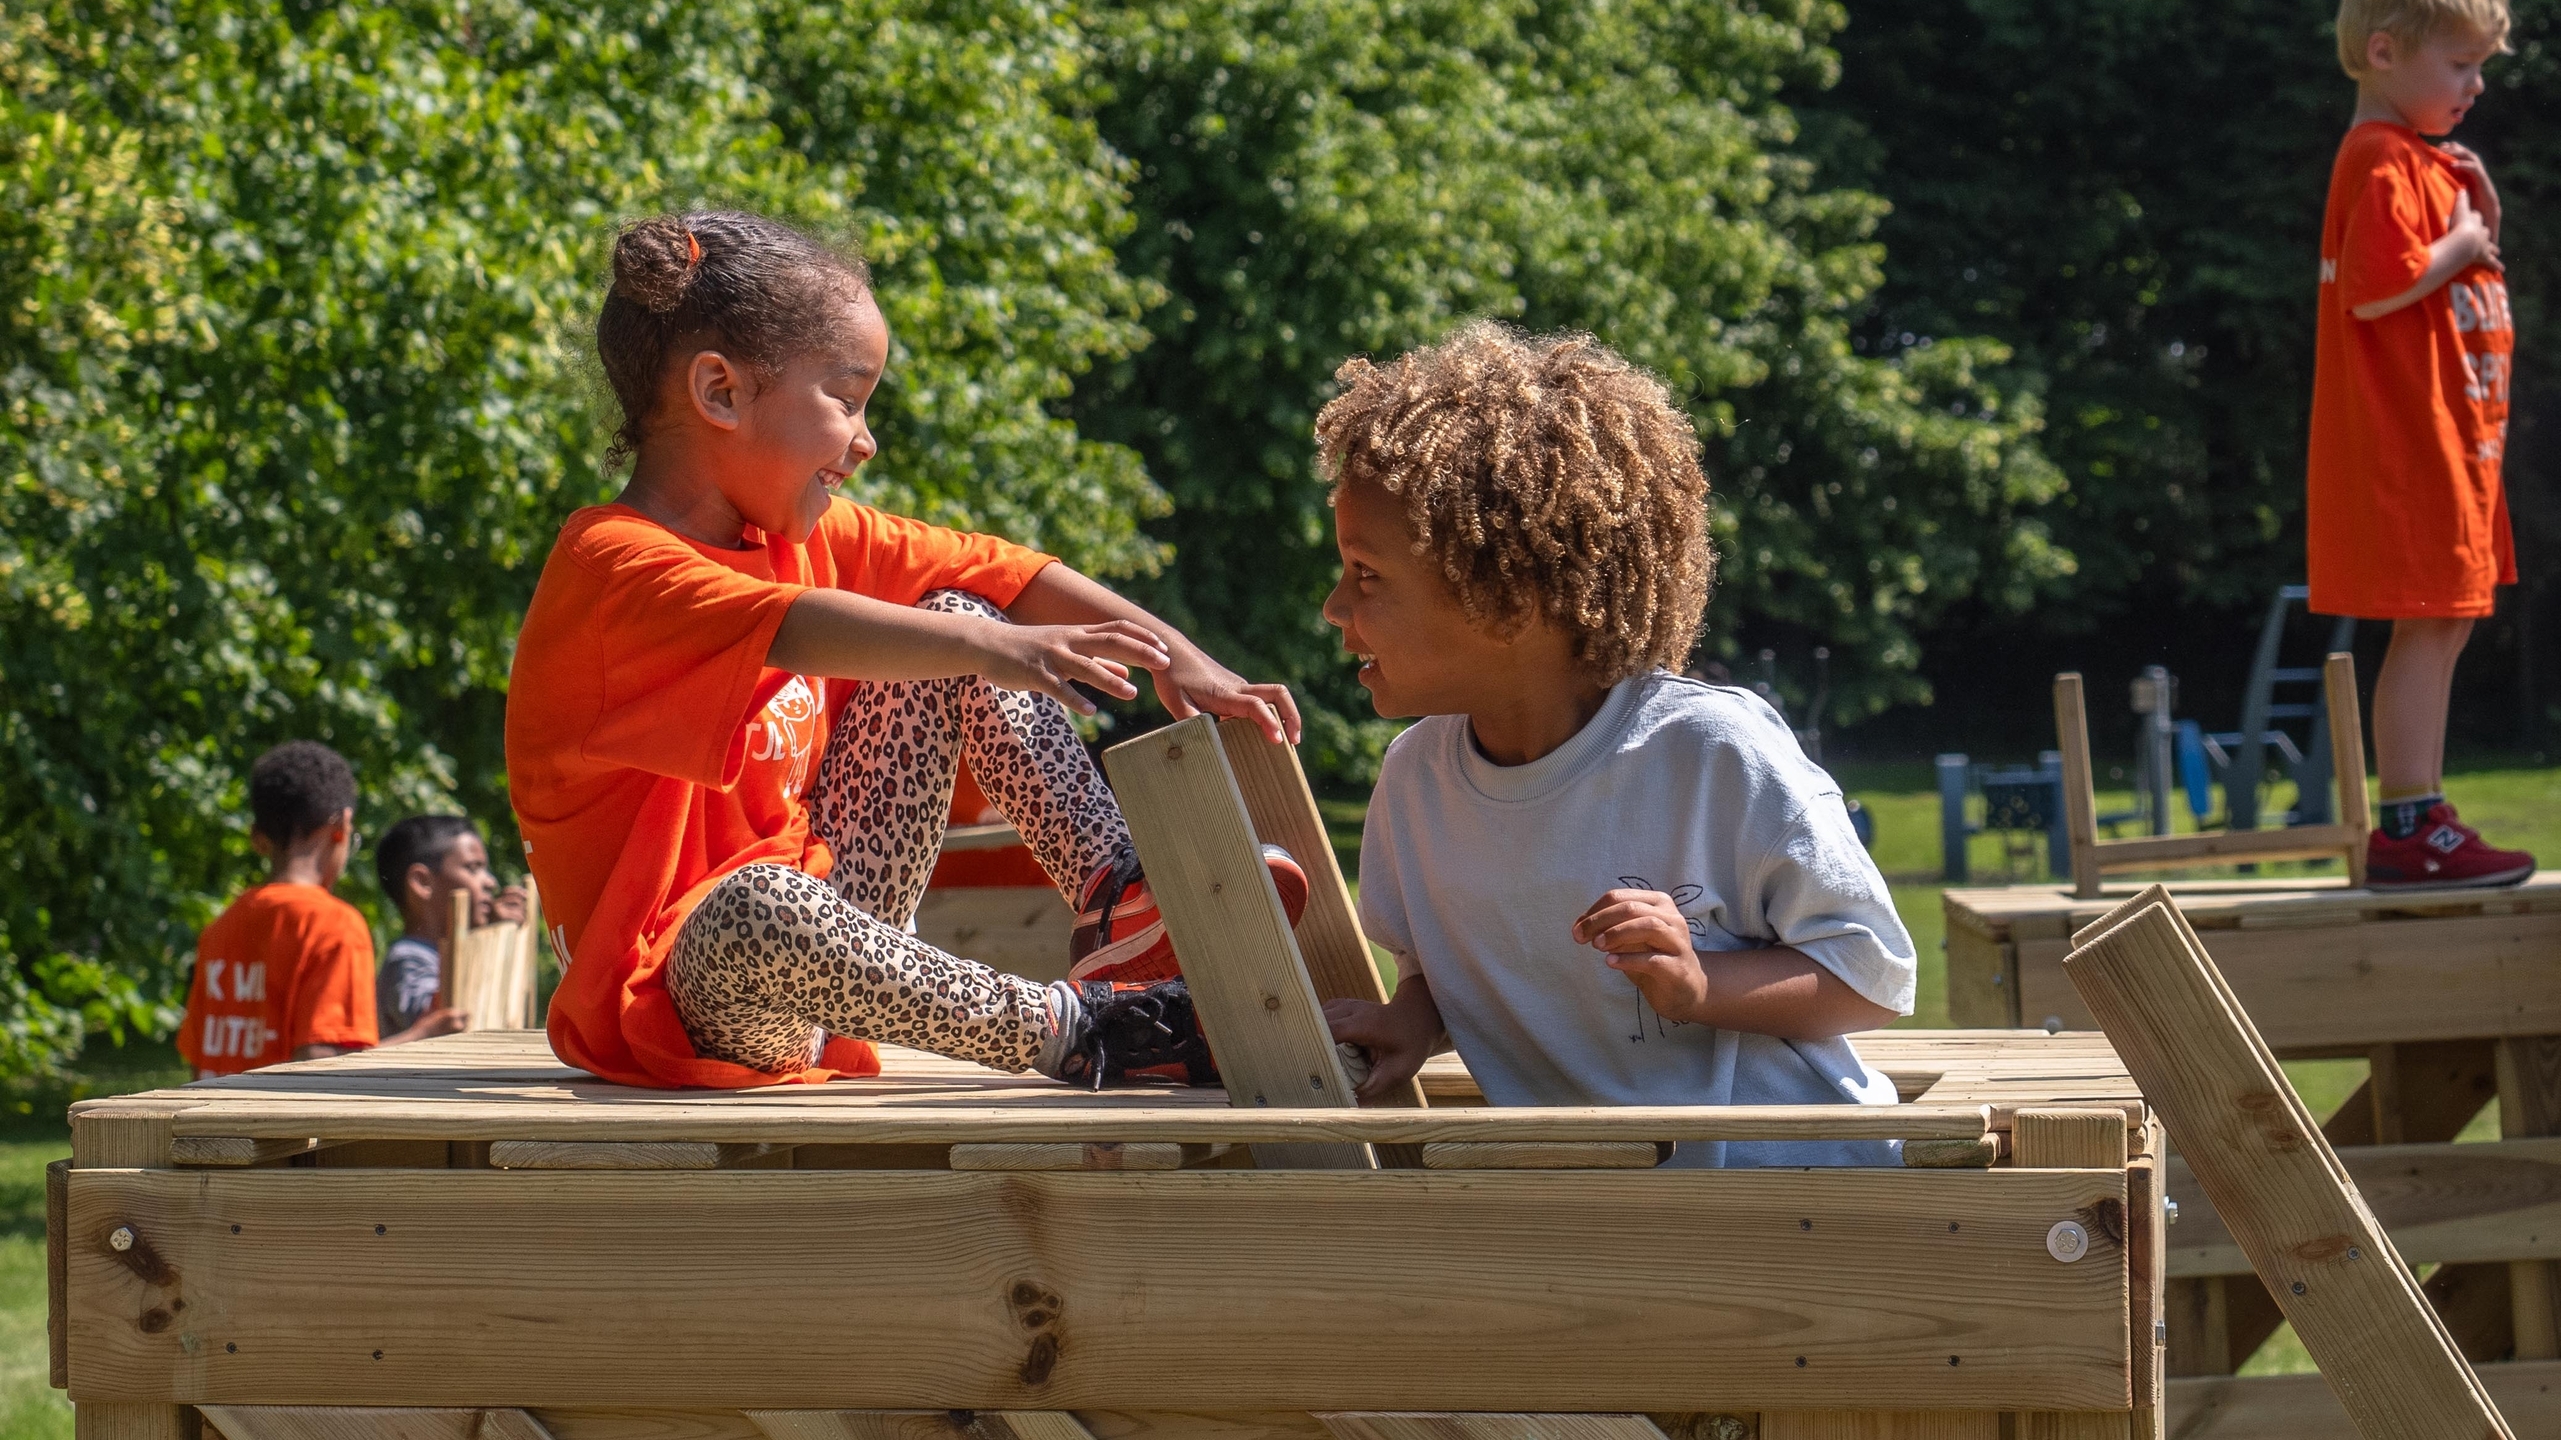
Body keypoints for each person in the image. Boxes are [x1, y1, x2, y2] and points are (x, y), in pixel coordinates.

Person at [506, 210, 1304, 1092]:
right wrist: (991, 645)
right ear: (721, 393)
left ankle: (1120, 899)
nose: (865, 437)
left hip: (845, 930)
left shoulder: (798, 531)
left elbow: (1000, 573)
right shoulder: (610, 565)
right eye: (845, 401)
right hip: (695, 994)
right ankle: (1100, 1032)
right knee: (761, 903)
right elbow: (792, 622)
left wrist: (1175, 655)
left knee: (957, 612)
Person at [1315, 323, 1915, 1168]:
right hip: (1599, 1212)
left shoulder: (1712, 752)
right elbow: (1466, 965)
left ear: (1508, 597)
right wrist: (1413, 1017)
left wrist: (1702, 986)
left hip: (1797, 1199)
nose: (1335, 607)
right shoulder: (1414, 784)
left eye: (1366, 575)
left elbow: (1873, 976)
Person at [2309, 0, 2532, 888]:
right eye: (2459, 66)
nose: (2475, 86)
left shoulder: (2421, 161)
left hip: (2455, 442)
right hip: (2414, 446)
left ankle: (2424, 811)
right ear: (2382, 53)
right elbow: (2374, 288)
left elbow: (2440, 274)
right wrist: (2464, 242)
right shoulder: (2379, 158)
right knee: (2427, 625)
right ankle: (2406, 823)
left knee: (2447, 623)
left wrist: (2479, 223)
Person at [178, 742, 382, 1077]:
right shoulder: (337, 926)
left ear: (258, 838)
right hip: (282, 1127)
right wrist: (421, 1036)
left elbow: (199, 1060)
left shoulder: (220, 928)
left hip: (210, 1123)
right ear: (340, 826)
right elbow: (325, 1061)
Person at [372, 814, 523, 1041]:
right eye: (473, 868)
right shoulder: (409, 958)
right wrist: (487, 946)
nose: (490, 882)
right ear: (422, 882)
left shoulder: (433, 955)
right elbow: (440, 1023)